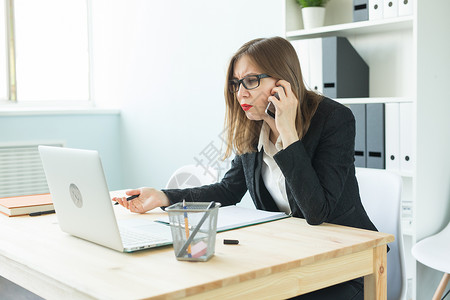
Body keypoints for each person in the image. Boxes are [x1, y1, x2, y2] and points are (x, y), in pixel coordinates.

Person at [113, 36, 377, 300]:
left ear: (283, 81)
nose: (241, 93)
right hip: (294, 255)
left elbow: (317, 212)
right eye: (236, 84)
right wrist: (164, 196)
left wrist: (287, 132)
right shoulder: (254, 126)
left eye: (251, 81)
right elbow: (229, 190)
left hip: (349, 265)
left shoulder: (334, 119)